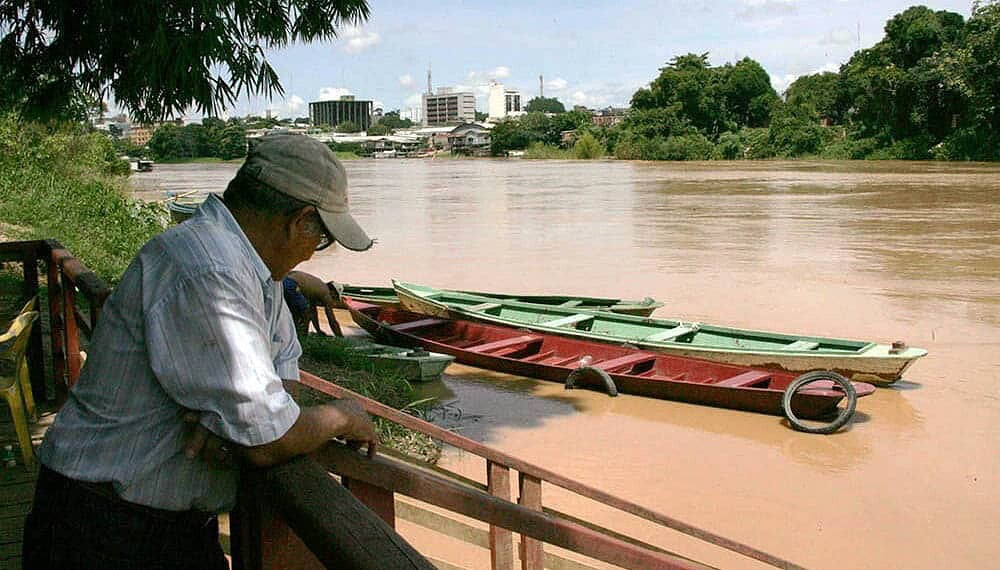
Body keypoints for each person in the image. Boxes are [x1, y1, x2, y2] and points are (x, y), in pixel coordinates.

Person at [23, 134, 432, 569]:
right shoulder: (207, 269)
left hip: (171, 525)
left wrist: (238, 427)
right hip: (102, 529)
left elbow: (281, 388)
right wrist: (343, 415)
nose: (313, 256)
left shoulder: (260, 275)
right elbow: (269, 436)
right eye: (322, 239)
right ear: (300, 222)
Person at [284, 269, 345, 337]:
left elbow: (313, 312)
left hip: (283, 280)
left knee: (296, 313)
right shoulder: (326, 293)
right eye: (334, 297)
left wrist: (318, 330)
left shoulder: (317, 288)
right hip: (292, 284)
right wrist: (340, 336)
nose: (332, 300)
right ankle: (302, 336)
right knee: (305, 313)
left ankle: (295, 335)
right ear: (333, 292)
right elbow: (331, 319)